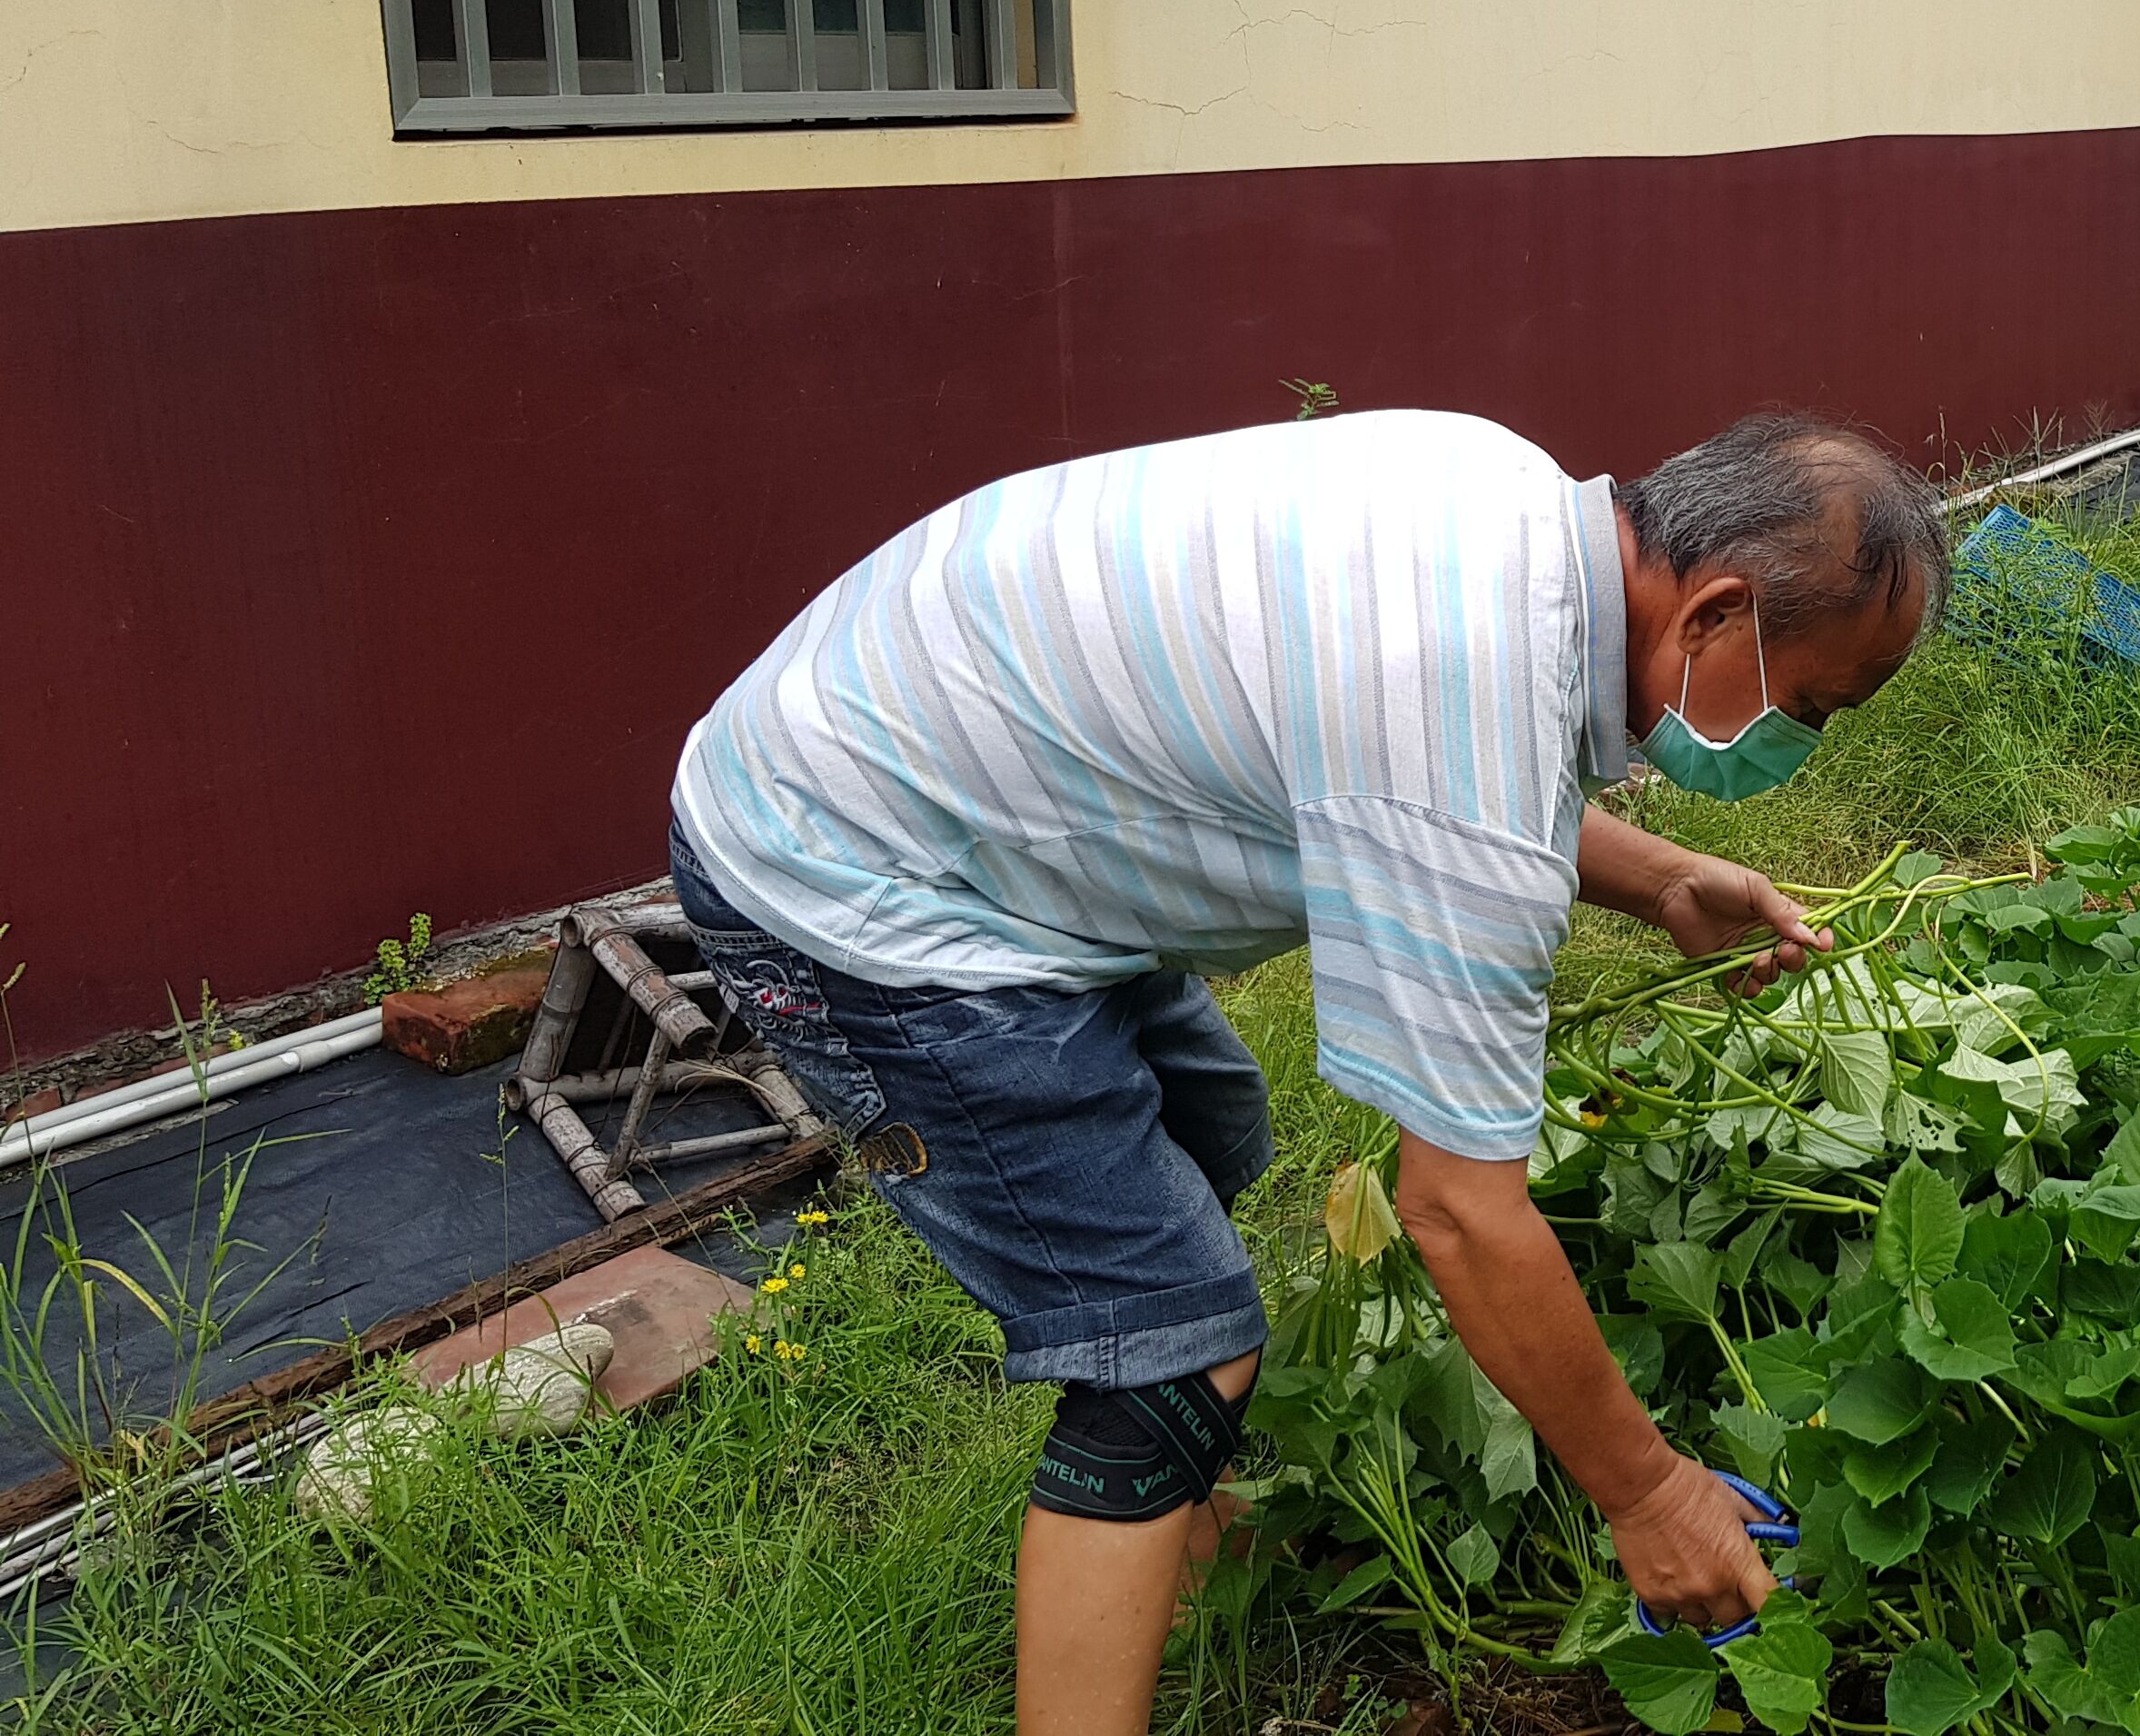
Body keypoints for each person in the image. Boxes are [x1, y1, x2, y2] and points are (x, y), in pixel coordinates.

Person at [665, 408, 1947, 1735]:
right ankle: (1142, 1493)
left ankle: (1168, 1534)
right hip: (846, 869)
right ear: (1715, 616)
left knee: (1206, 1139)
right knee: (1162, 1341)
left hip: (944, 763)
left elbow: (1406, 762)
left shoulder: (1512, 505)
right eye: (1811, 706)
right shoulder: (1465, 707)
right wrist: (1652, 1494)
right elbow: (1458, 1210)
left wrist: (1663, 872)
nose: (1810, 744)